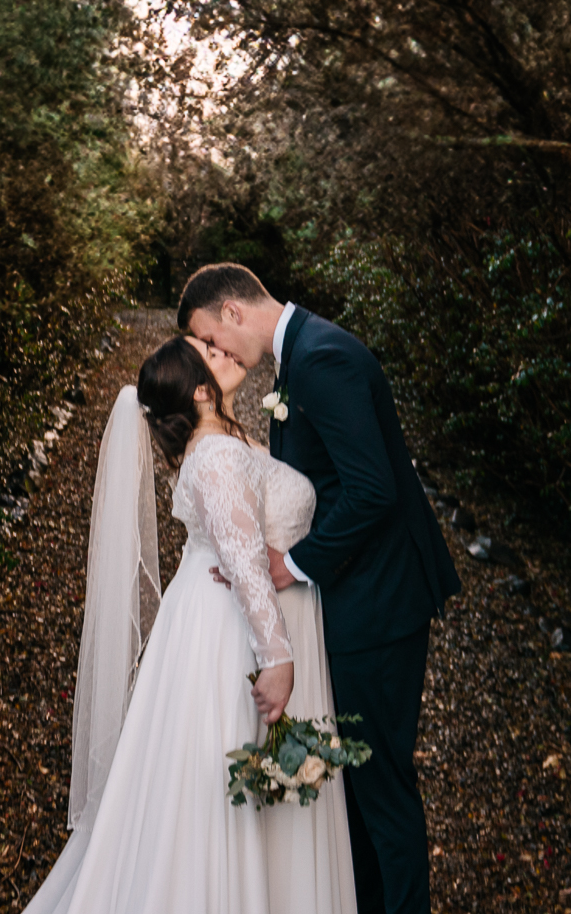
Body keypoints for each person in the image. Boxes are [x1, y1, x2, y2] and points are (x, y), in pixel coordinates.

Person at [22, 335, 356, 914]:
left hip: (230, 618)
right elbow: (246, 565)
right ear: (202, 387)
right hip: (235, 637)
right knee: (224, 787)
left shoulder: (225, 442)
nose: (223, 350)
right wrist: (277, 660)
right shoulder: (217, 456)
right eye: (210, 350)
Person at [182, 264, 461, 914]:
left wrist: (294, 565)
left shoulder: (322, 359)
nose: (218, 356)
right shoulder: (302, 355)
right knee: (359, 784)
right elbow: (319, 481)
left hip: (378, 604)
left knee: (381, 787)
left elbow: (372, 491)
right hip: (358, 598)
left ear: (231, 311)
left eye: (212, 340)